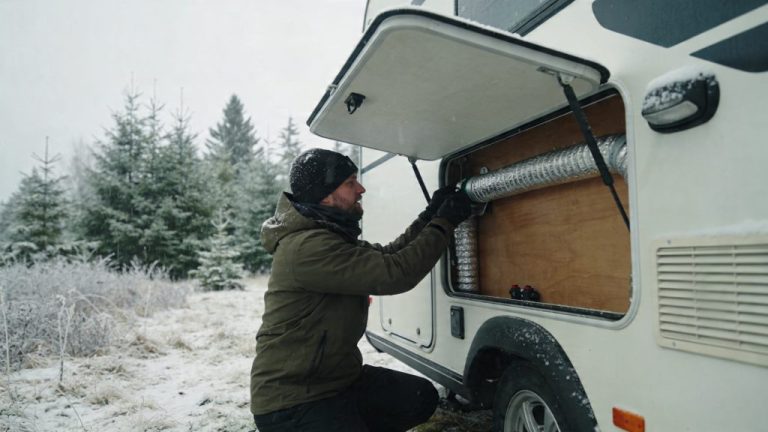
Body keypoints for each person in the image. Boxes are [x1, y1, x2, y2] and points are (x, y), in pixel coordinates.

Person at [250, 148, 473, 431]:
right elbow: (396, 273)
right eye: (350, 183)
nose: (361, 188)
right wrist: (445, 222)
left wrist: (430, 216)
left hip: (338, 382)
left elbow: (391, 253)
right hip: (295, 401)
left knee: (419, 397)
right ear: (326, 195)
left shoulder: (327, 235)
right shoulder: (307, 247)